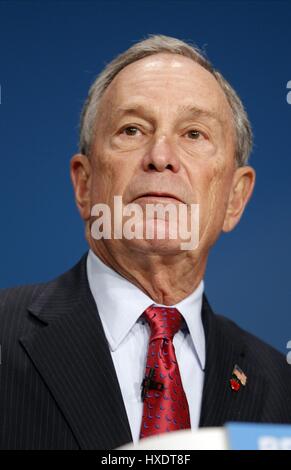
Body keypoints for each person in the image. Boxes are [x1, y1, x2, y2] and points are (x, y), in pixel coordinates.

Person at [0, 35, 290, 450]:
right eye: (132, 129)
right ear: (84, 184)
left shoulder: (281, 386)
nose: (160, 155)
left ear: (235, 198)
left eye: (193, 134)